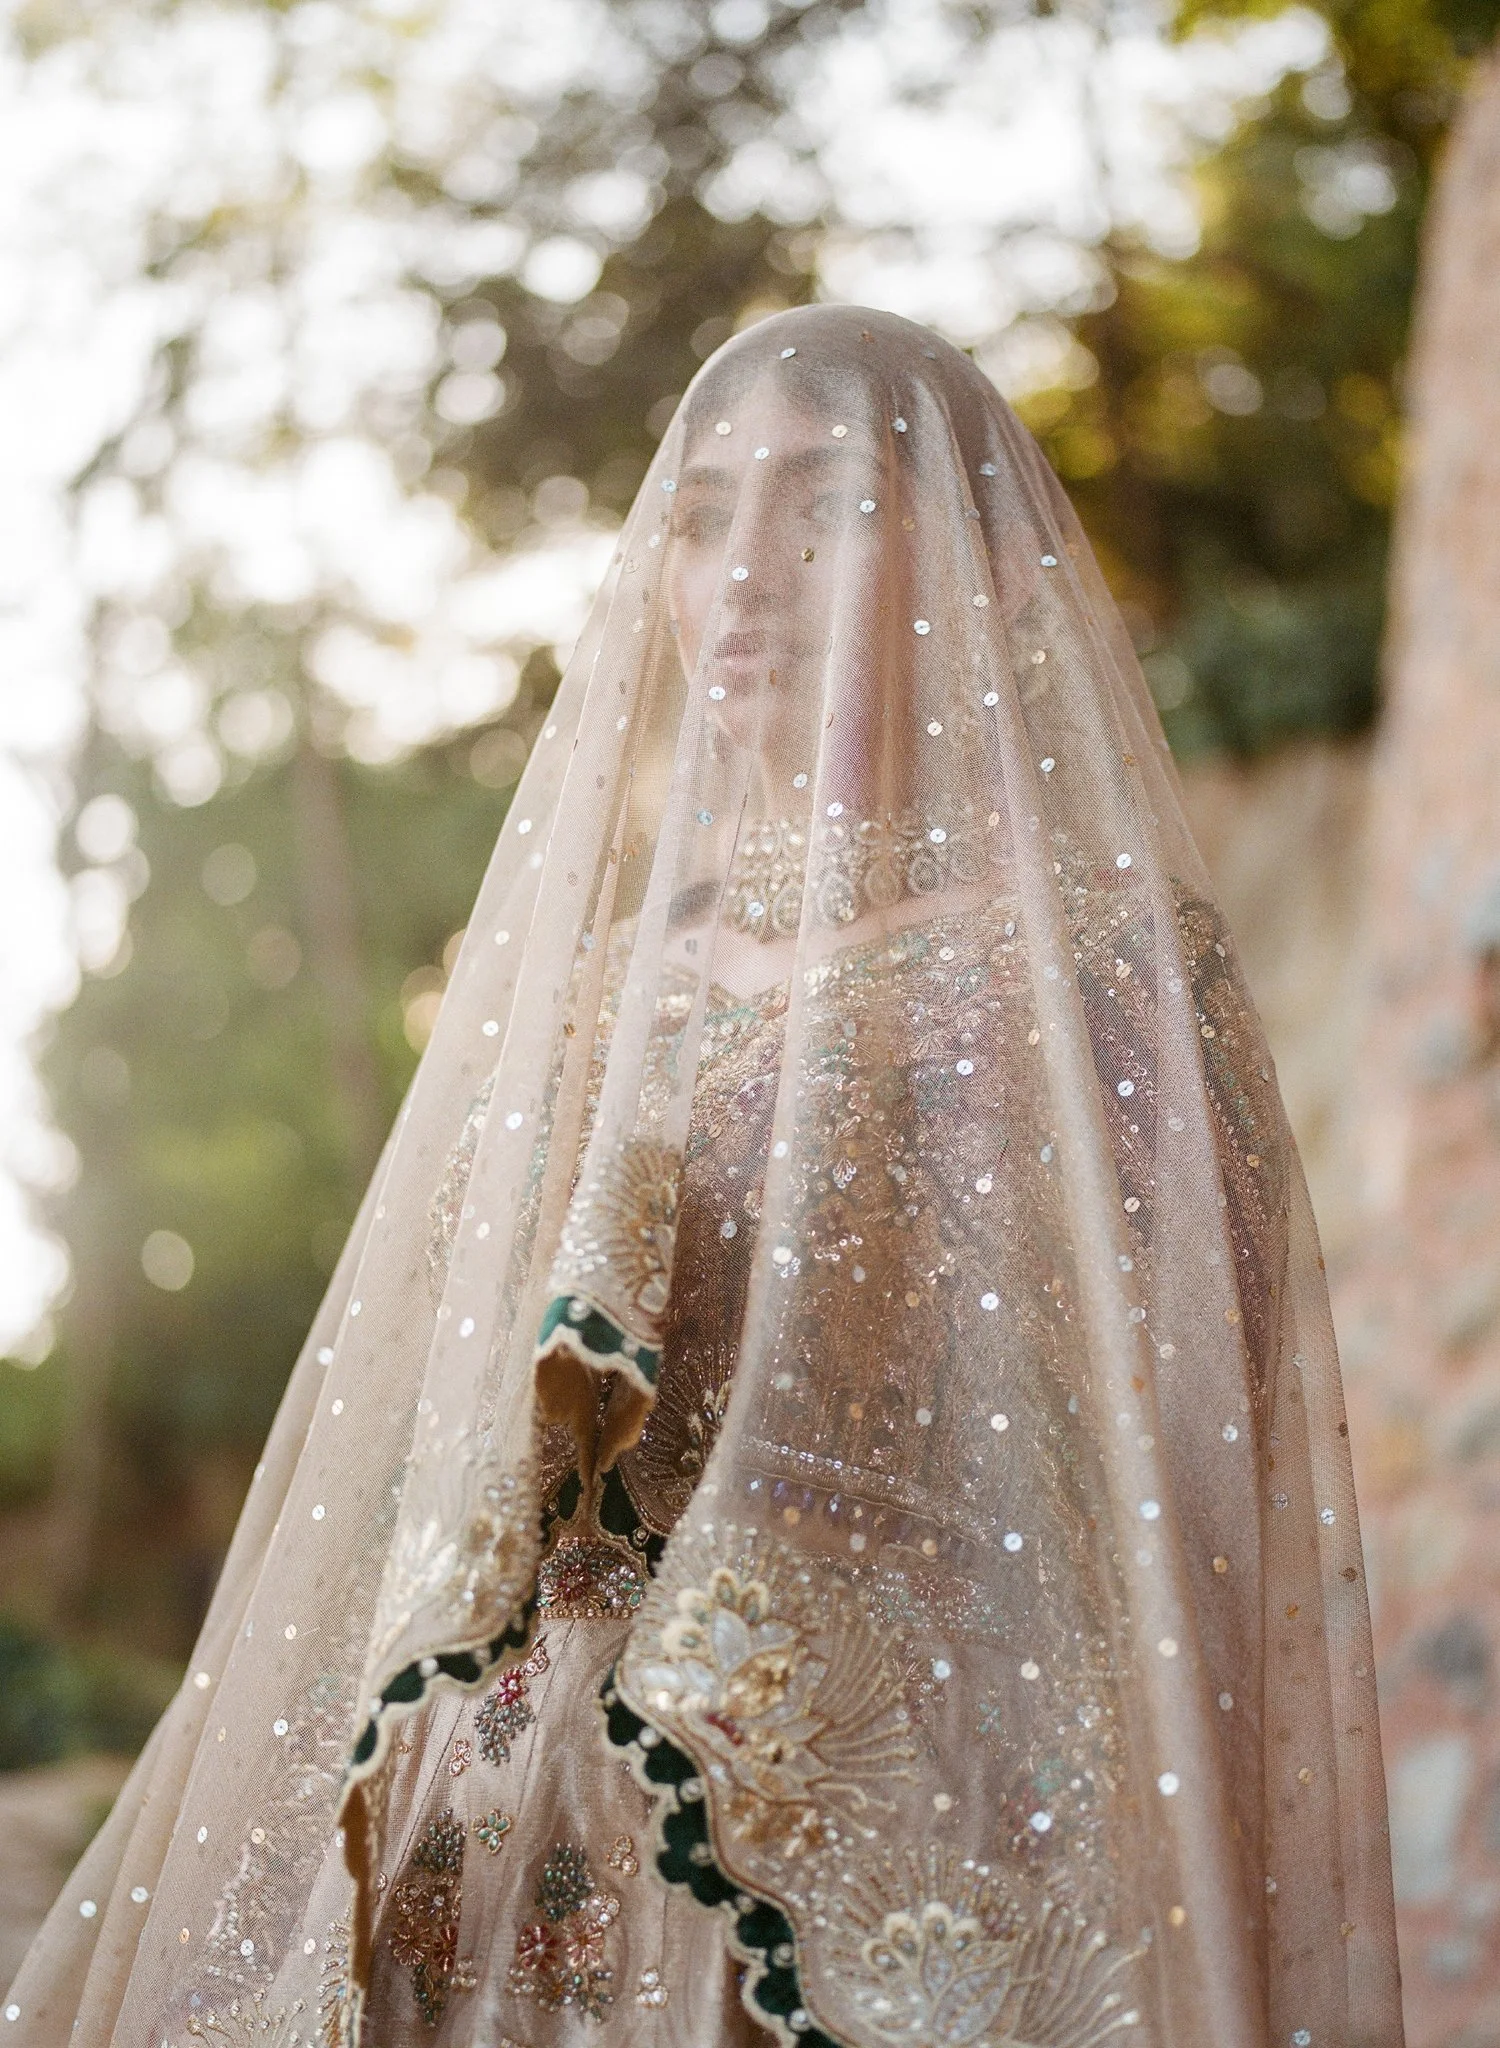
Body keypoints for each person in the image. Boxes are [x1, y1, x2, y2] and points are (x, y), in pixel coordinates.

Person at [5, 305, 1403, 2048]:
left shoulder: (1092, 984)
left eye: (822, 505)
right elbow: (421, 1456)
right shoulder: (594, 994)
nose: (742, 576)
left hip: (867, 1870)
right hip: (483, 1840)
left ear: (990, 566)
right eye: (700, 516)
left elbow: (1168, 1495)